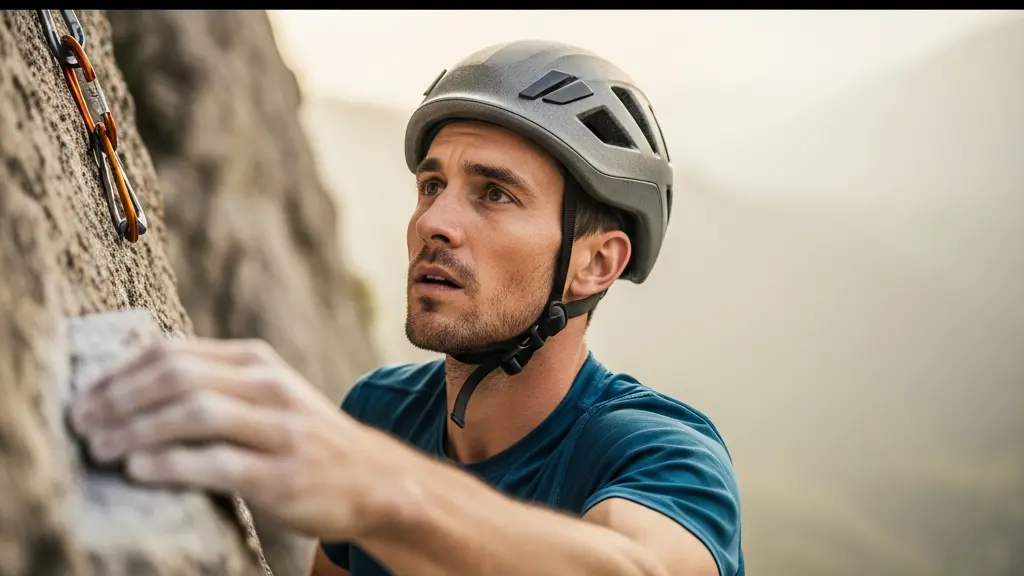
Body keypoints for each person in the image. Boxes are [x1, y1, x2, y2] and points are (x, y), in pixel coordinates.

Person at [68, 39, 744, 576]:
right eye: (431, 185)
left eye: (495, 194)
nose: (434, 222)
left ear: (596, 262)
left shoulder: (661, 455)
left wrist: (376, 484)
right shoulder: (379, 413)